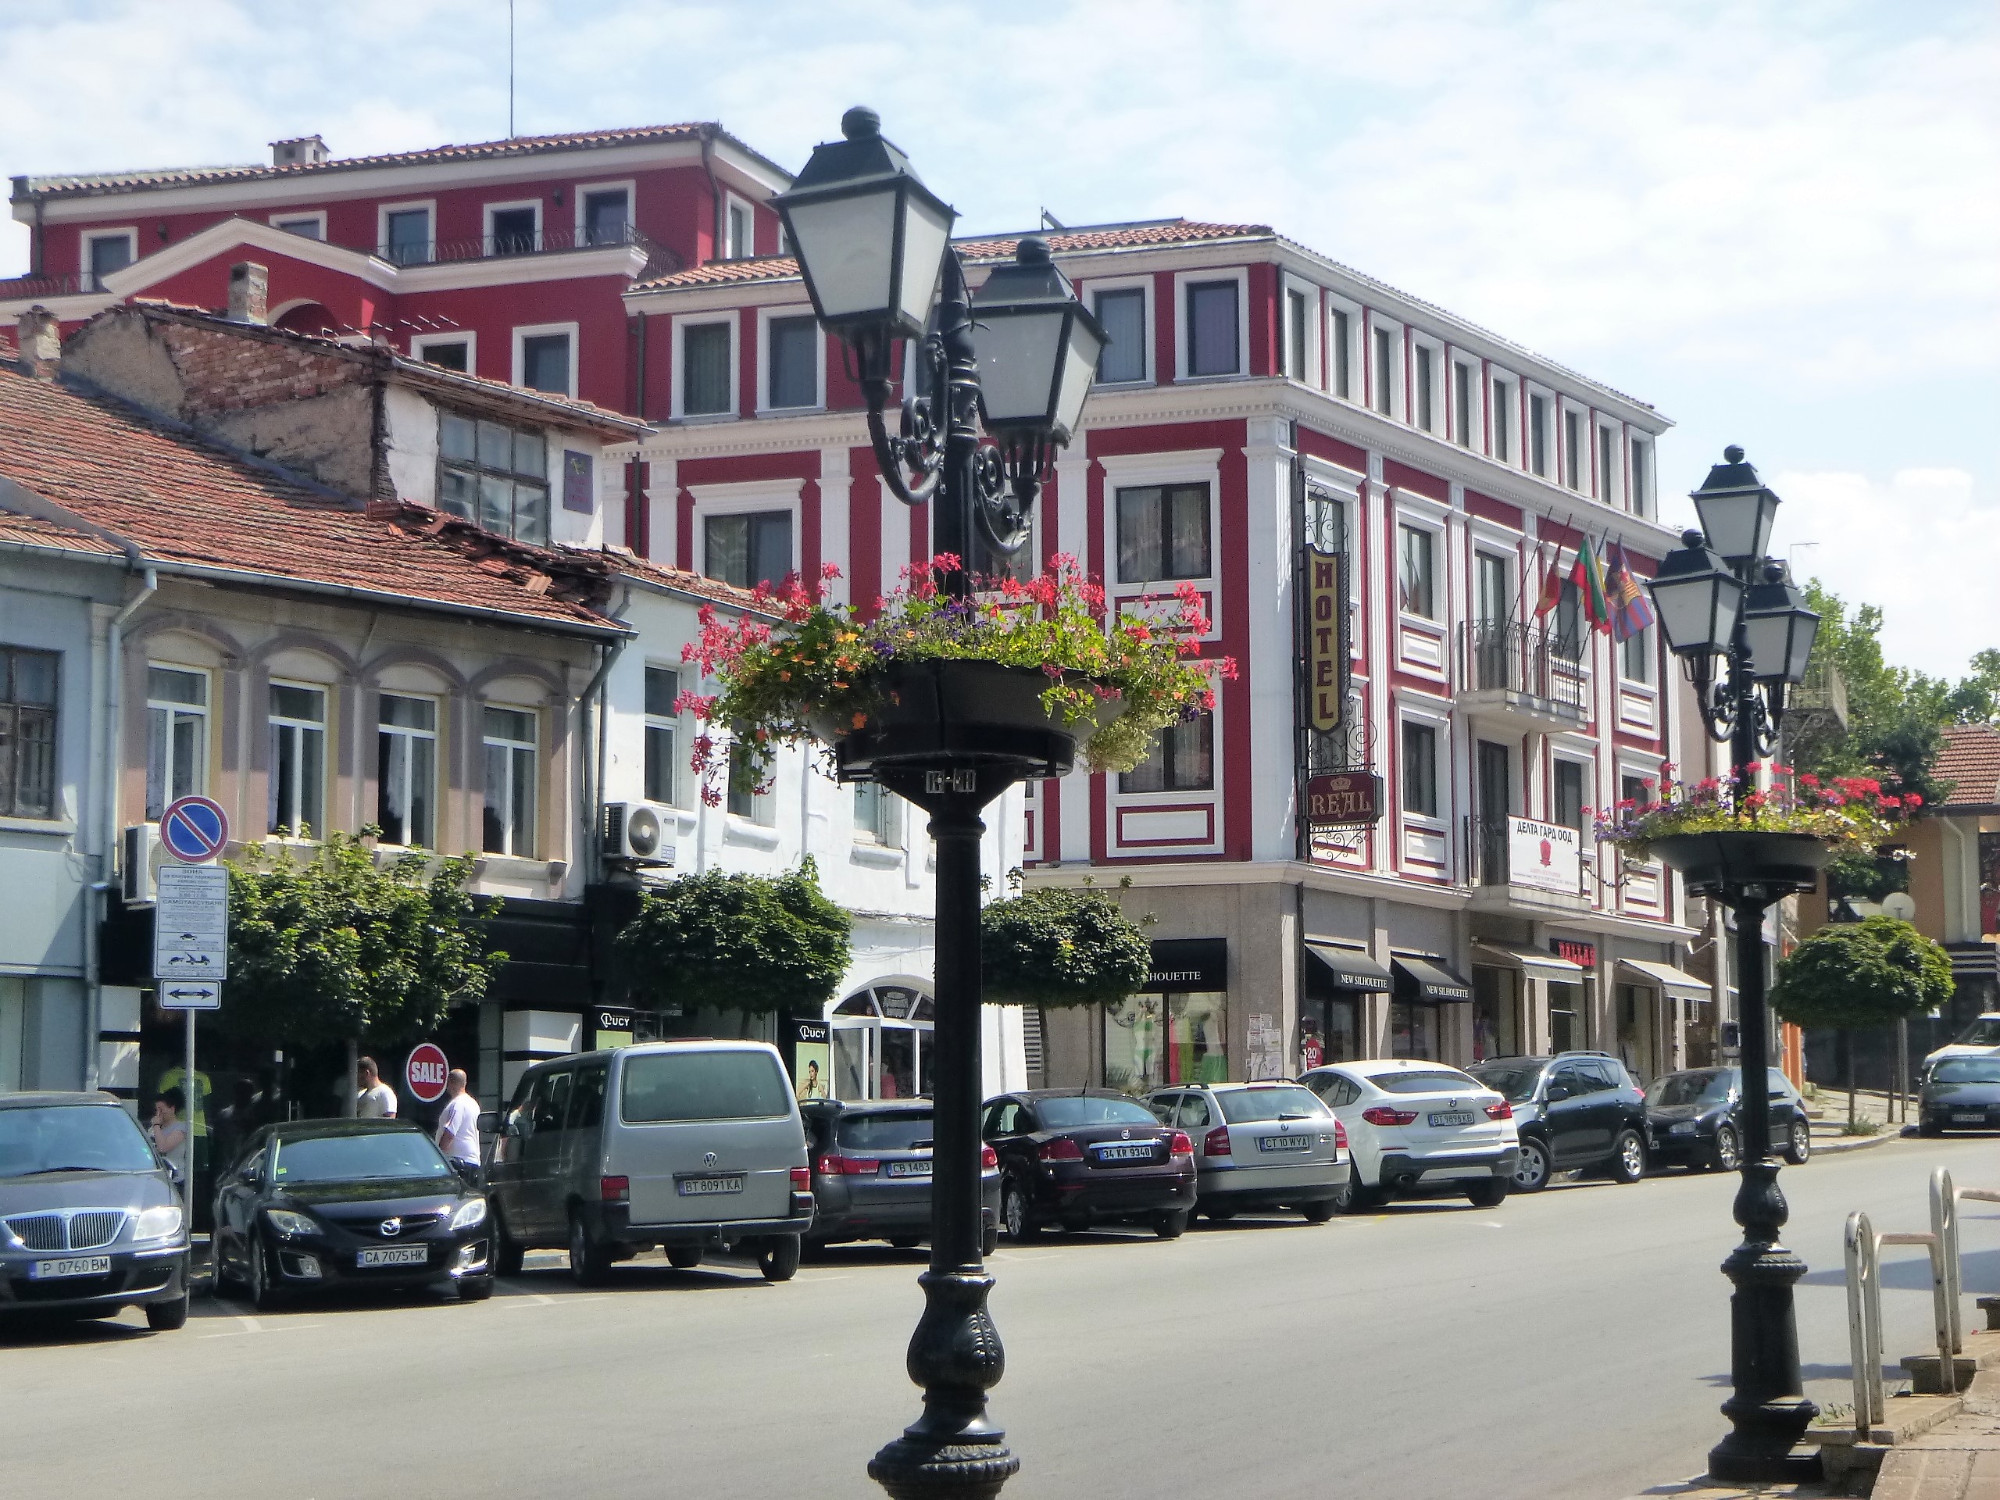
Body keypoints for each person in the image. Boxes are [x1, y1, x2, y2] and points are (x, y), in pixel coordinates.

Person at [435, 1070, 481, 1173]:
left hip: (458, 1162)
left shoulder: (458, 1104)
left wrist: (437, 1157)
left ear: (450, 1082)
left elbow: (450, 1133)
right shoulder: (472, 1103)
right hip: (471, 1161)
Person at [149, 1088, 189, 1159]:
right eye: (156, 1110)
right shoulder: (153, 1129)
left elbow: (163, 1148)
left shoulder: (181, 1128)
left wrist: (156, 1125)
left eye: (161, 1110)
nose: (158, 1113)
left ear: (172, 1109)